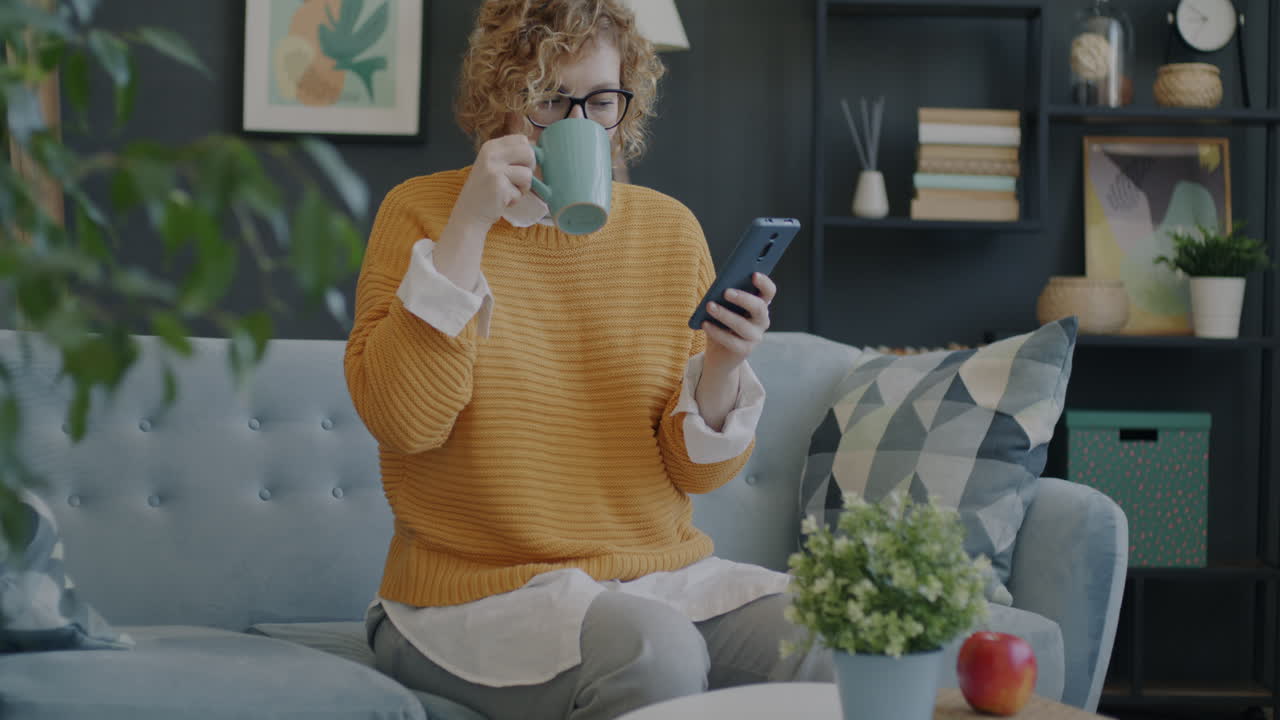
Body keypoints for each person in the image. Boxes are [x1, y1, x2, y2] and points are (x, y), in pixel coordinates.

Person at [344, 1, 832, 718]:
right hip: (473, 595)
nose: (578, 126)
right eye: (549, 102)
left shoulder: (668, 231)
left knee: (824, 637)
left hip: (653, 580)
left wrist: (724, 364)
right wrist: (471, 225)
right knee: (653, 652)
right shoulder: (421, 212)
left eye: (601, 101)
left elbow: (698, 471)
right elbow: (404, 423)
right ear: (501, 101)